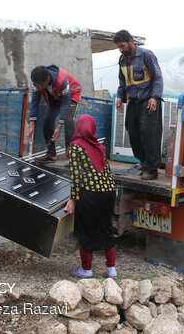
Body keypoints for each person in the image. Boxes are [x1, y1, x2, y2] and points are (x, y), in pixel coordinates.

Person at [64, 115, 117, 279]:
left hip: (89, 194)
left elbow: (76, 177)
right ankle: (111, 270)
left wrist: (73, 198)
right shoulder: (100, 147)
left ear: (78, 127)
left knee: (85, 230)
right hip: (109, 193)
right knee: (105, 229)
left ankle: (86, 270)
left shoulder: (75, 147)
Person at [114, 30, 164, 180]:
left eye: (122, 46)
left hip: (148, 100)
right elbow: (122, 82)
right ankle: (144, 161)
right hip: (132, 102)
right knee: (132, 130)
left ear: (130, 41)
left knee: (148, 132)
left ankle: (152, 168)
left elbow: (157, 78)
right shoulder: (122, 60)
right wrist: (119, 97)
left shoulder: (146, 55)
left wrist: (155, 97)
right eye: (119, 47)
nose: (121, 50)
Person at [28, 65, 82, 161]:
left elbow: (66, 102)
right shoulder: (37, 83)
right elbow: (34, 102)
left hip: (71, 95)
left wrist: (59, 126)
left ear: (48, 79)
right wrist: (31, 126)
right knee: (47, 120)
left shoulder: (62, 80)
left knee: (68, 121)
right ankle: (51, 154)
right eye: (37, 85)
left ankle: (71, 157)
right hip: (56, 97)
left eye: (41, 85)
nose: (39, 87)